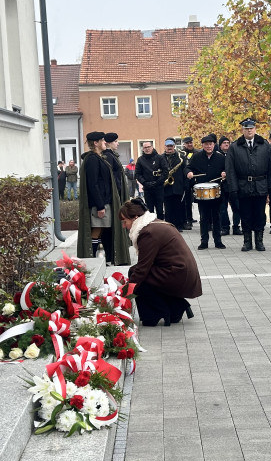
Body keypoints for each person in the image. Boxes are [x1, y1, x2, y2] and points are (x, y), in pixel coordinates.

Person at [120, 198, 202, 327]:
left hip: (178, 273)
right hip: (180, 270)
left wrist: (123, 294)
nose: (124, 226)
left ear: (135, 218)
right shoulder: (152, 224)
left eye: (125, 221)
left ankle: (154, 315)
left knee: (138, 276)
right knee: (135, 273)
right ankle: (176, 306)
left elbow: (142, 269)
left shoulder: (148, 232)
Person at [77, 131, 130, 265]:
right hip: (100, 203)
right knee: (97, 230)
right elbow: (93, 184)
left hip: (105, 201)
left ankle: (107, 260)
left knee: (104, 230)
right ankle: (91, 261)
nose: (105, 142)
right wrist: (100, 205)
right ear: (96, 143)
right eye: (102, 140)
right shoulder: (93, 159)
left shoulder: (99, 157)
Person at [225, 118, 271, 252]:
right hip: (243, 185)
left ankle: (259, 241)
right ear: (242, 130)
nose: (249, 130)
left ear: (255, 129)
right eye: (246, 128)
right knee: (245, 214)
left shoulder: (264, 145)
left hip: (260, 185)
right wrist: (233, 188)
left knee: (260, 214)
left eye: (251, 128)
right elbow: (230, 169)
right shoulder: (235, 147)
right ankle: (247, 241)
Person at [187, 134, 227, 250]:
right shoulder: (196, 157)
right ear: (202, 145)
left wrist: (224, 173)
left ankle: (218, 241)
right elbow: (188, 168)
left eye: (211, 144)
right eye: (206, 144)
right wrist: (188, 173)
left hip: (216, 192)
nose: (209, 146)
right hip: (202, 194)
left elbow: (227, 168)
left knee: (216, 217)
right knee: (204, 218)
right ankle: (204, 241)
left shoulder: (221, 158)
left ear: (214, 145)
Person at [135, 140, 168, 218]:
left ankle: (160, 226)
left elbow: (165, 172)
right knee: (149, 210)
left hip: (159, 187)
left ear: (152, 147)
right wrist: (145, 183)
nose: (147, 149)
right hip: (147, 188)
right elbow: (137, 174)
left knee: (160, 209)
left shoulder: (160, 158)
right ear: (143, 149)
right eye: (145, 147)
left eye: (148, 147)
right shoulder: (140, 160)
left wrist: (158, 182)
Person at [161, 138, 188, 230]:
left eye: (171, 146)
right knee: (168, 208)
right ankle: (169, 226)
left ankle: (179, 225)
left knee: (178, 207)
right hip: (166, 187)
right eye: (168, 146)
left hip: (178, 185)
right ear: (165, 147)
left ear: (174, 146)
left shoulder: (181, 157)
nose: (169, 148)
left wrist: (185, 185)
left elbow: (185, 171)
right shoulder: (161, 158)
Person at [218, 136, 241, 236]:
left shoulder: (234, 155)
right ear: (220, 145)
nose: (227, 144)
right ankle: (225, 227)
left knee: (237, 207)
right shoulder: (217, 156)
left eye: (228, 142)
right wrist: (221, 173)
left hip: (233, 185)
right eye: (224, 143)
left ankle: (236, 227)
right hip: (222, 186)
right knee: (223, 208)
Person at [180, 137, 196, 228]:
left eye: (191, 142)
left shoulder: (197, 152)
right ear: (184, 144)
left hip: (195, 179)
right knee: (187, 201)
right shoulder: (181, 153)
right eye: (187, 143)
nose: (190, 144)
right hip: (185, 180)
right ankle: (188, 219)